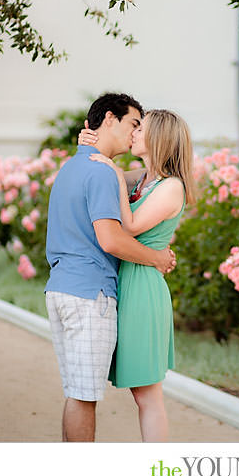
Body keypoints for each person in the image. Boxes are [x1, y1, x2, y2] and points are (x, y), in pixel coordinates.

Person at [44, 93, 176, 442]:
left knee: (78, 390)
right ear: (110, 120)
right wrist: (159, 258)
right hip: (89, 294)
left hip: (60, 288)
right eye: (133, 124)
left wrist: (96, 152)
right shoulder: (102, 174)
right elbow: (113, 240)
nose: (134, 134)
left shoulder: (75, 166)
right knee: (84, 395)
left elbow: (135, 179)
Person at [78, 109, 196, 442]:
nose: (133, 133)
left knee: (148, 394)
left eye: (140, 128)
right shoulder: (145, 179)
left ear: (158, 138)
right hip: (128, 282)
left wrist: (113, 172)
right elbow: (104, 169)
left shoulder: (171, 187)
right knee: (140, 393)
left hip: (143, 289)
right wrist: (89, 144)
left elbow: (129, 225)